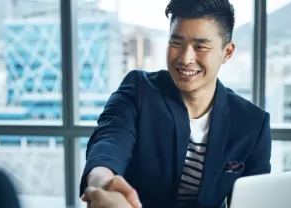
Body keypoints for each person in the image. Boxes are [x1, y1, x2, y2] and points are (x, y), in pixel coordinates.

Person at [80, 0, 272, 207]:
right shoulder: (138, 90)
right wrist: (105, 183)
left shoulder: (253, 123)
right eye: (176, 43)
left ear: (227, 52)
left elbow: (253, 199)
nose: (185, 58)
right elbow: (109, 142)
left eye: (200, 46)